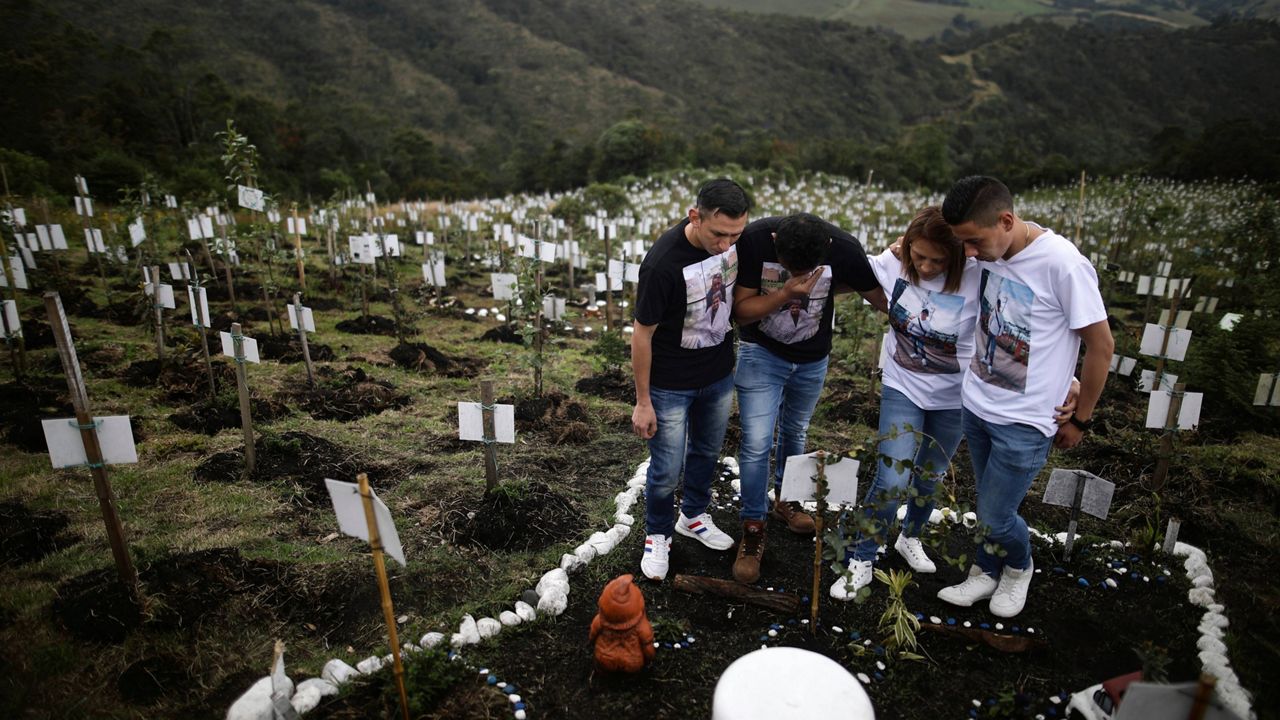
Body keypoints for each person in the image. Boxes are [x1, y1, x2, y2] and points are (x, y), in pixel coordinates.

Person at [935, 176, 1113, 618]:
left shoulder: (1062, 265)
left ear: (1007, 220)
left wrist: (1081, 418)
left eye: (974, 242)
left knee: (997, 514)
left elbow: (1101, 345)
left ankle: (1019, 566)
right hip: (976, 406)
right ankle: (984, 568)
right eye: (964, 245)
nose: (969, 254)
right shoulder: (986, 250)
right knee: (988, 502)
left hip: (1026, 420)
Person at [829, 206, 978, 600]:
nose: (925, 267)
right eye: (919, 255)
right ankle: (862, 556)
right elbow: (848, 266)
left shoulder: (979, 277)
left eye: (937, 260)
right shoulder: (893, 263)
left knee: (929, 477)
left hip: (954, 395)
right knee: (892, 478)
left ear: (958, 255)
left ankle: (909, 536)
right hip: (903, 384)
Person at [730, 213, 886, 584]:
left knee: (796, 430)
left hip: (813, 359)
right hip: (761, 354)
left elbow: (878, 295)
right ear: (774, 240)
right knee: (755, 442)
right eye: (786, 266)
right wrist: (785, 293)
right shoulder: (753, 241)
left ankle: (787, 499)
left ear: (827, 249)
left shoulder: (844, 247)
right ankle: (753, 528)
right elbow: (740, 310)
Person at [632, 178, 751, 582]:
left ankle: (694, 516)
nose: (727, 245)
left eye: (736, 234)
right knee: (665, 467)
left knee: (706, 452)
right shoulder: (662, 264)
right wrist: (643, 400)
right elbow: (642, 333)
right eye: (719, 234)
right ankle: (658, 533)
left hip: (717, 375)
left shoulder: (735, 240)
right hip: (670, 384)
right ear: (694, 216)